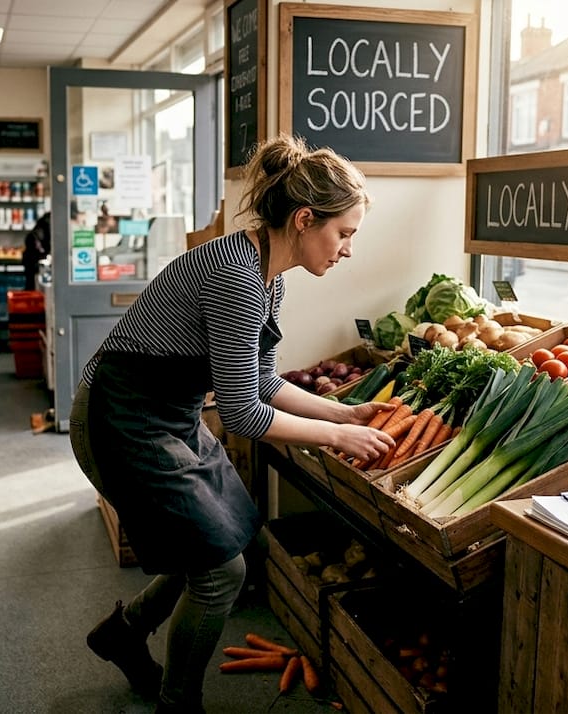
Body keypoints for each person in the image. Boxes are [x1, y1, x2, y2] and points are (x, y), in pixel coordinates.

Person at [68, 134, 396, 713]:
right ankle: (180, 701)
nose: (347, 250)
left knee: (221, 537)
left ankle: (123, 633)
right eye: (343, 233)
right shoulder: (239, 278)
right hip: (119, 417)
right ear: (303, 219)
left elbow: (263, 382)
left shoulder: (268, 274)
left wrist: (343, 411)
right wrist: (338, 436)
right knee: (220, 570)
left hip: (166, 415)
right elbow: (243, 412)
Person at [22, 211, 51, 291]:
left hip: (31, 262)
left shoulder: (37, 230)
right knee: (33, 285)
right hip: (34, 262)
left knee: (31, 284)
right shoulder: (44, 230)